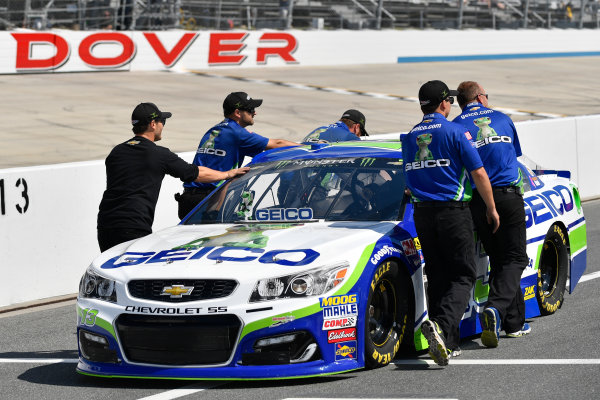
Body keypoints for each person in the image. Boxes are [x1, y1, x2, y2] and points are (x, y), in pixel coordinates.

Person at [401, 80, 500, 366]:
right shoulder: (456, 131)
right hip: (453, 212)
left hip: (422, 214)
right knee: (463, 274)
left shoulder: (409, 137)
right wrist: (491, 208)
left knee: (439, 274)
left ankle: (449, 341)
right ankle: (442, 328)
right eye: (451, 101)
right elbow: (479, 172)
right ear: (444, 102)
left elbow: (407, 180)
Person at [97, 102, 249, 252]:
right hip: (133, 225)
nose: (163, 125)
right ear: (153, 124)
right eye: (162, 121)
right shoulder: (158, 154)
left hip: (105, 225)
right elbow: (194, 173)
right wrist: (227, 174)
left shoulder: (116, 152)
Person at [453, 81, 530, 348]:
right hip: (507, 195)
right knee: (516, 258)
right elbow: (513, 155)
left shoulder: (456, 126)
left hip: (476, 200)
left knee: (500, 259)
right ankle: (495, 309)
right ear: (480, 98)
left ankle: (514, 323)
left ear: (462, 102)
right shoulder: (503, 118)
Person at [176, 92, 299, 219]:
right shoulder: (237, 133)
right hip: (209, 201)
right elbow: (277, 144)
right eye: (251, 110)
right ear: (237, 113)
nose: (255, 113)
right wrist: (310, 147)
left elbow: (264, 157)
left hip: (188, 198)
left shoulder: (215, 129)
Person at [302, 109, 368, 143]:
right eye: (360, 133)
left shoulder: (321, 128)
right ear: (356, 127)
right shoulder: (350, 137)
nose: (359, 136)